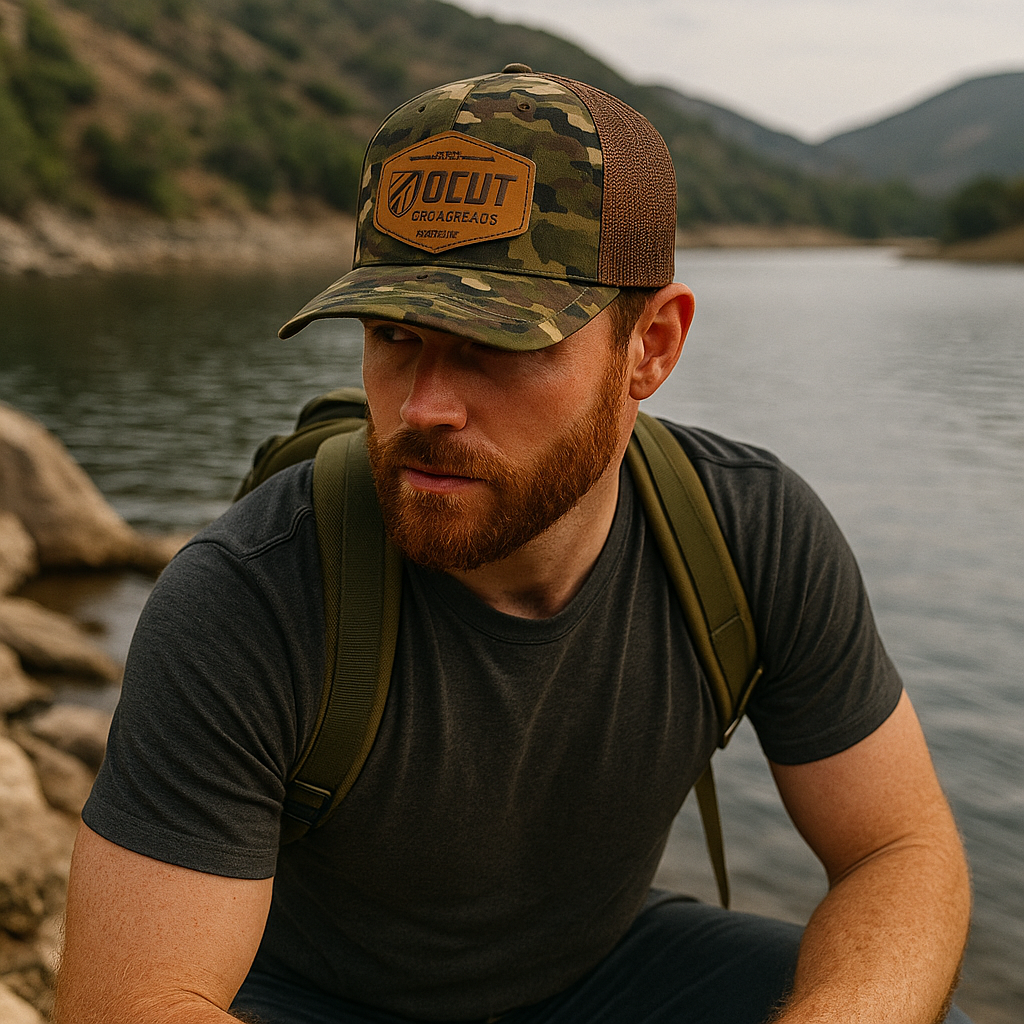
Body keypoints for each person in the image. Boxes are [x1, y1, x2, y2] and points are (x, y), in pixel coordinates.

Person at [55, 65, 971, 1024]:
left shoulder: (752, 534)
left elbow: (898, 850)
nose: (423, 409)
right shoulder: (250, 597)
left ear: (651, 346)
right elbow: (135, 1006)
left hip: (602, 973)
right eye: (393, 335)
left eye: (498, 347)